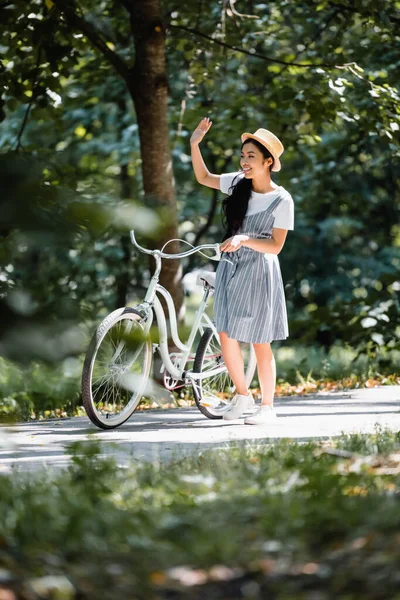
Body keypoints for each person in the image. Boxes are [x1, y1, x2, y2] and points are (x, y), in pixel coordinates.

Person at [190, 118, 294, 425]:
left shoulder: (282, 199)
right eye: (243, 155)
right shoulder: (238, 183)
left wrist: (244, 239)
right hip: (231, 268)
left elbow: (275, 246)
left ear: (268, 162)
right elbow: (203, 176)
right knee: (226, 334)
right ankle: (242, 396)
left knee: (260, 340)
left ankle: (267, 406)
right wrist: (195, 144)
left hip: (260, 271)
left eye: (251, 156)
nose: (244, 161)